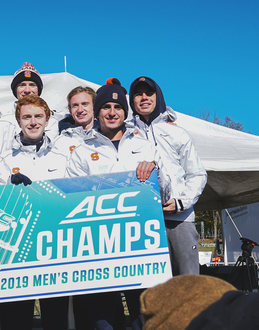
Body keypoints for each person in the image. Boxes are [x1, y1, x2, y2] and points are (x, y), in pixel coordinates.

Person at [68, 80, 163, 330]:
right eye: (106, 107)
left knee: (143, 317)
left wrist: (156, 171)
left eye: (118, 107)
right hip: (99, 246)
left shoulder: (144, 145)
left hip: (138, 242)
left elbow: (164, 189)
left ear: (125, 112)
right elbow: (72, 199)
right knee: (102, 320)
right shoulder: (82, 151)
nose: (112, 112)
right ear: (97, 112)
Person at [0, 95, 70, 330]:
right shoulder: (5, 160)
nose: (32, 122)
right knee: (16, 320)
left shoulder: (62, 157)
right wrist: (7, 186)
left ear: (47, 120)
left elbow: (74, 197)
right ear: (18, 121)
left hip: (53, 249)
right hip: (17, 250)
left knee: (56, 319)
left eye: (38, 117)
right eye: (26, 117)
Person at [129, 76, 207, 278]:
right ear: (132, 101)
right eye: (138, 94)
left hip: (179, 219)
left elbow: (197, 173)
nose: (144, 98)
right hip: (142, 221)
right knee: (154, 286)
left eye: (149, 93)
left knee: (188, 284)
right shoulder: (127, 134)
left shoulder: (177, 132)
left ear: (158, 97)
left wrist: (182, 202)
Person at [2, 62, 60, 137]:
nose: (27, 90)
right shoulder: (3, 121)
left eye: (32, 85)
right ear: (15, 90)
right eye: (22, 85)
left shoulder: (56, 121)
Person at [54, 85, 98, 156]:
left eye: (85, 104)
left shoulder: (107, 137)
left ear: (94, 107)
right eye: (75, 105)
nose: (80, 110)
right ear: (70, 111)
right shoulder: (59, 140)